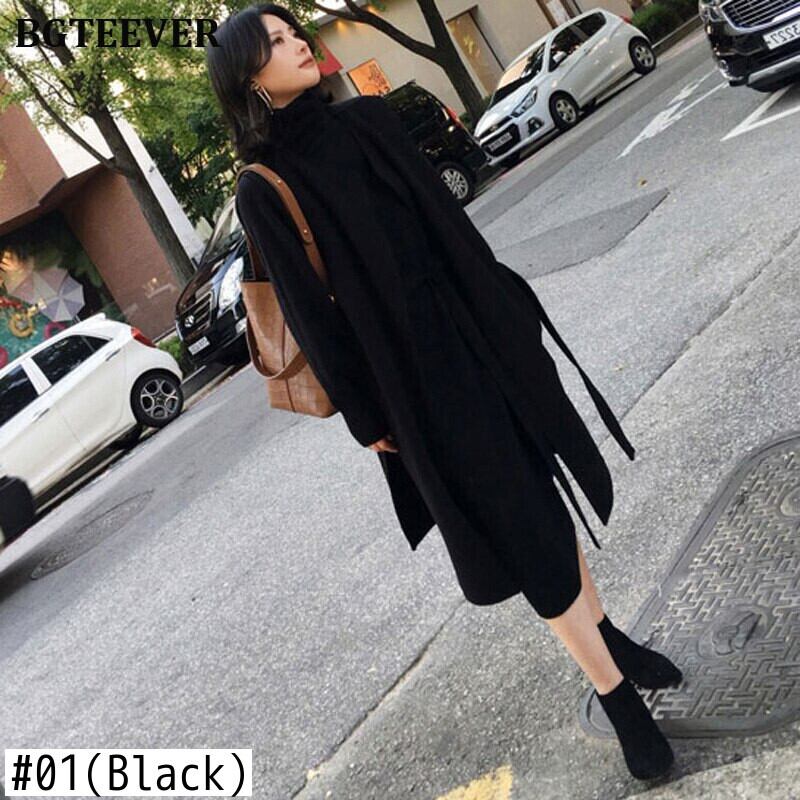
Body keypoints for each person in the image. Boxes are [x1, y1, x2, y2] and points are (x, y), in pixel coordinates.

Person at [206, 3, 683, 781]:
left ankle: (611, 641)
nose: (298, 44)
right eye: (276, 42)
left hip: (479, 331)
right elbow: (311, 317)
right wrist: (368, 417)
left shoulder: (367, 121)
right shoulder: (263, 187)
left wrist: (506, 309)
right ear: (248, 77)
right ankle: (618, 698)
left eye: (295, 31)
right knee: (522, 528)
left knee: (541, 490)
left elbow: (448, 226)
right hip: (416, 382)